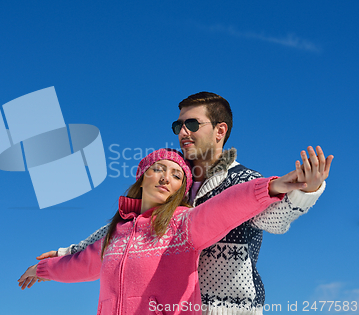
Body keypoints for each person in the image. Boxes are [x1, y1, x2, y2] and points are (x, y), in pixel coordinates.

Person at [33, 92, 333, 315]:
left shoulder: (244, 179)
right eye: (178, 126)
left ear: (220, 130)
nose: (183, 132)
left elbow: (274, 220)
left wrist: (306, 190)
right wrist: (69, 252)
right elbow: (128, 231)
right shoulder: (175, 183)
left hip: (227, 308)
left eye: (192, 123)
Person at [19, 148, 311, 315]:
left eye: (176, 176)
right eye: (158, 169)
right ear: (143, 175)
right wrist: (40, 270)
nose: (165, 178)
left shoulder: (183, 225)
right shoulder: (116, 233)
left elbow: (227, 206)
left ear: (180, 190)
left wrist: (273, 186)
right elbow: (79, 264)